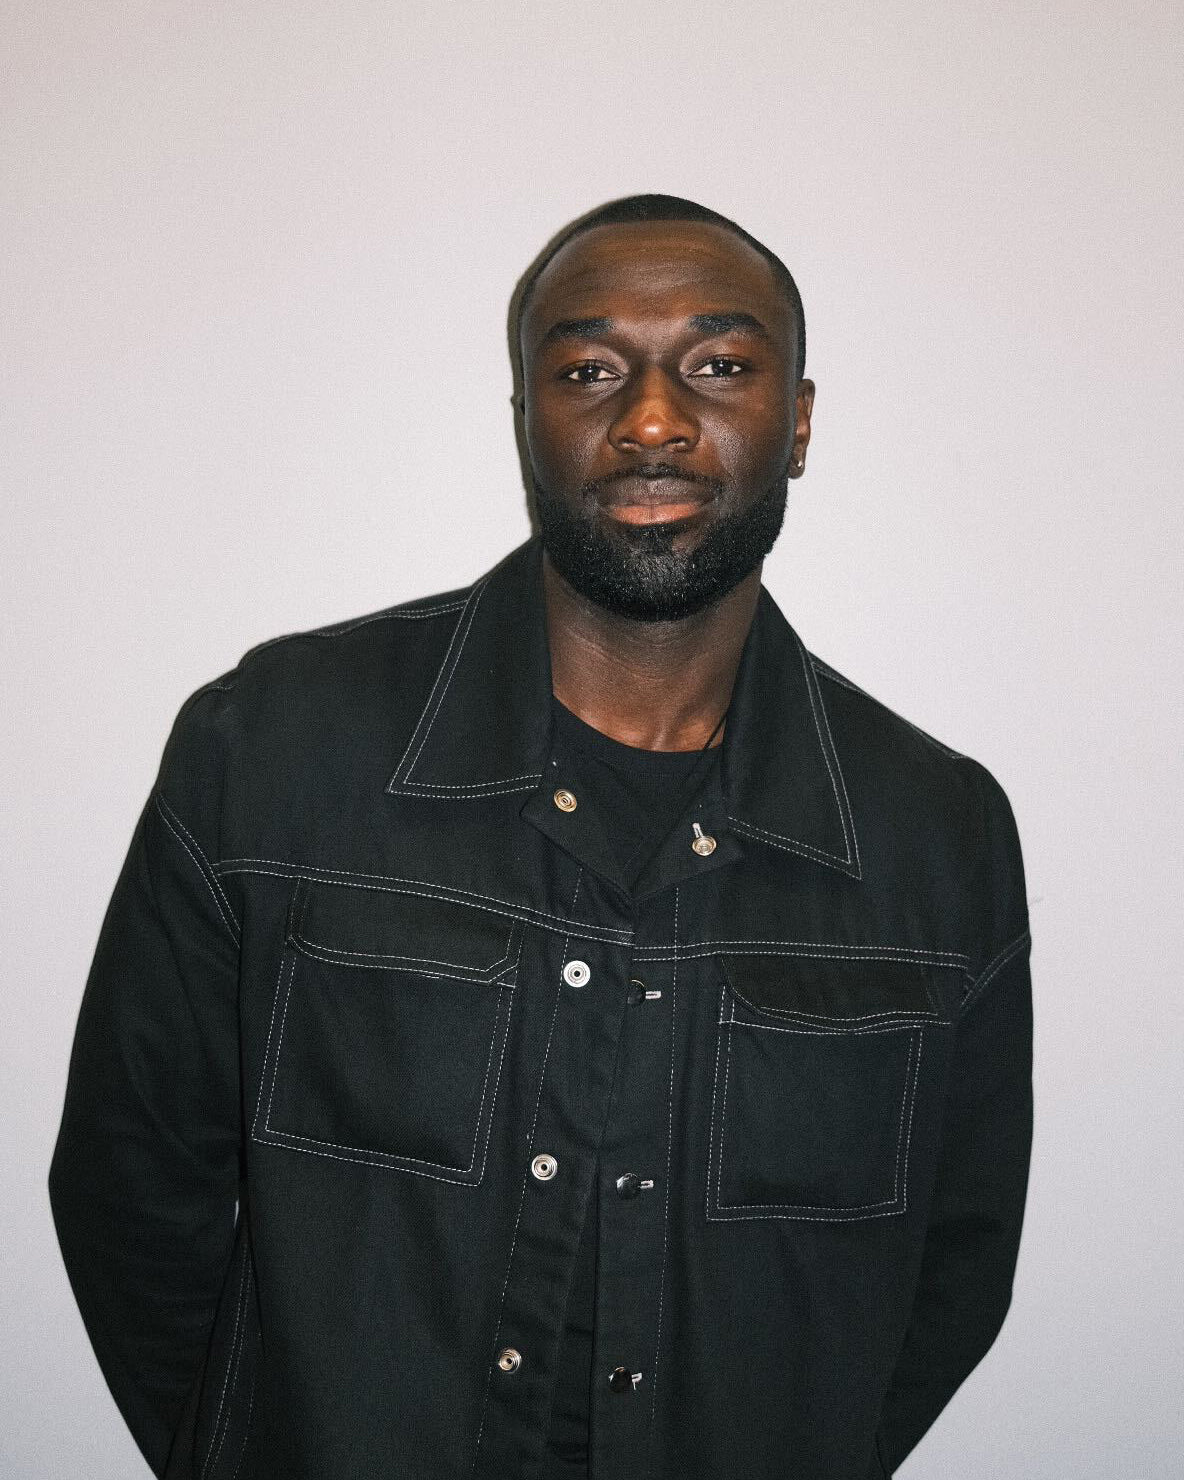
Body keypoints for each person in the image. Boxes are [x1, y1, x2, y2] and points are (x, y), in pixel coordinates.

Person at [49, 194, 1032, 1480]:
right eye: (587, 371)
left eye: (717, 365)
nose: (651, 420)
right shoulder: (275, 754)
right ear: (527, 420)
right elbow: (131, 1187)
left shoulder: (935, 839)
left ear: (796, 422)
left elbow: (949, 1271)